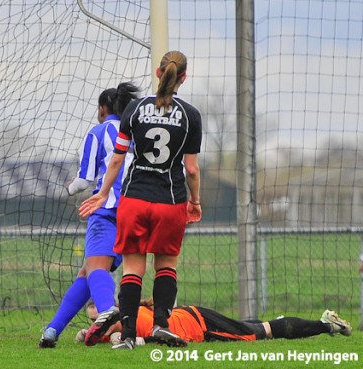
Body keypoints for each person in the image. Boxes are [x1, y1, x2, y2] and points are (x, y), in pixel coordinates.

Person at [79, 50, 203, 349]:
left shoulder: (134, 109)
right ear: (182, 77)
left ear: (159, 73)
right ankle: (161, 325)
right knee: (166, 265)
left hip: (133, 200)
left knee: (133, 268)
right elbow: (191, 169)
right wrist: (195, 201)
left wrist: (103, 193)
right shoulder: (190, 115)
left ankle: (129, 335)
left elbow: (117, 160)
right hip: (170, 201)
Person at [38, 83, 140, 348]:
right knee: (88, 272)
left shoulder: (99, 131)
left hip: (106, 209)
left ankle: (110, 316)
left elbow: (84, 181)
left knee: (95, 268)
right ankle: (52, 330)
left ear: (103, 109)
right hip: (136, 210)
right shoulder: (136, 132)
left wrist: (69, 188)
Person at [76, 299, 352, 345]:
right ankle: (284, 321)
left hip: (202, 328)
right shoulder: (131, 312)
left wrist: (137, 340)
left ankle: (325, 324)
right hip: (193, 313)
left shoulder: (135, 327)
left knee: (263, 333)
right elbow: (103, 334)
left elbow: (160, 340)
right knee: (246, 325)